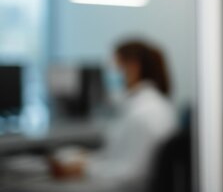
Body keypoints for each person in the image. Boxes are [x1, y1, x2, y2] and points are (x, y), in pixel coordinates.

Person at [51, 39, 177, 191]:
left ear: (132, 67)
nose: (111, 75)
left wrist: (82, 169)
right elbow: (118, 157)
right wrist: (86, 162)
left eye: (115, 67)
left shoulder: (144, 113)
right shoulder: (148, 104)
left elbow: (132, 174)